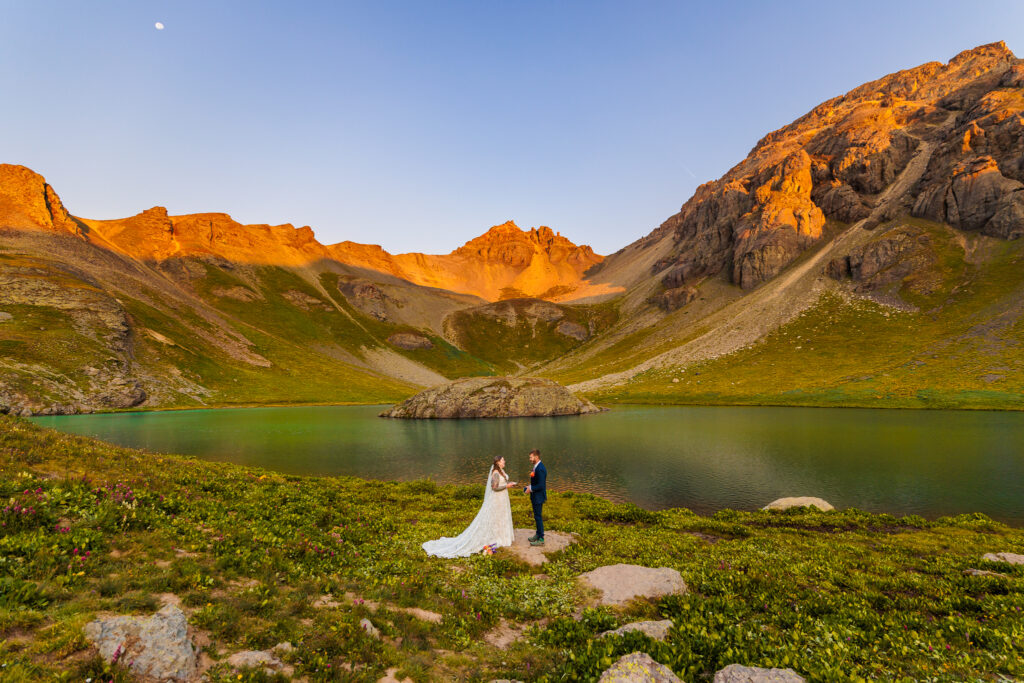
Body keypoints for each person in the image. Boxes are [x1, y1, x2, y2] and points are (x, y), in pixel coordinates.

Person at [422, 456, 517, 558]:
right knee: (494, 517)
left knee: (500, 517)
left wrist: (508, 484)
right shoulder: (495, 473)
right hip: (497, 499)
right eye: (503, 460)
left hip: (502, 499)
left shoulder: (501, 471)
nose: (504, 462)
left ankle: (501, 535)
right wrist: (507, 486)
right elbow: (494, 488)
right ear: (498, 462)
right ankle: (496, 537)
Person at [523, 449, 546, 546]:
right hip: (535, 496)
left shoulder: (540, 469)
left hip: (538, 497)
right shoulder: (536, 466)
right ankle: (538, 534)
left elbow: (541, 485)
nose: (530, 459)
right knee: (536, 516)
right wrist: (529, 486)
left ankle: (541, 539)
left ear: (536, 457)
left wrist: (530, 489)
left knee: (538, 517)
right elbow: (536, 482)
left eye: (531, 457)